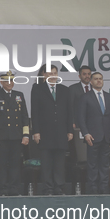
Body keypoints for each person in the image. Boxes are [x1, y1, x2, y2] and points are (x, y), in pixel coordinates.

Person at [31, 65, 72, 195]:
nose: (53, 76)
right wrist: (36, 131)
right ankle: (48, 187)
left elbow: (69, 112)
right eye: (50, 73)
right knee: (47, 161)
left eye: (55, 73)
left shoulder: (65, 90)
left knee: (60, 161)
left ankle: (59, 187)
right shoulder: (37, 89)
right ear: (44, 75)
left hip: (61, 131)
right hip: (44, 132)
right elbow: (35, 112)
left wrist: (69, 130)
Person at [0, 71, 30, 196]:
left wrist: (26, 135)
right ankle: (4, 189)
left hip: (16, 136)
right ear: (1, 82)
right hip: (1, 137)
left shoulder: (19, 95)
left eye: (11, 80)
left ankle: (14, 188)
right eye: (6, 81)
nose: (10, 83)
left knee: (16, 163)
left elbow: (24, 117)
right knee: (3, 164)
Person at [78, 72, 110, 194]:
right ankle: (93, 189)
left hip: (107, 136)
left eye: (101, 79)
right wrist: (86, 133)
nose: (99, 81)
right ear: (91, 81)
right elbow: (81, 118)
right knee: (93, 165)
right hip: (92, 136)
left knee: (104, 164)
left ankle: (104, 189)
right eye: (96, 79)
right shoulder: (85, 97)